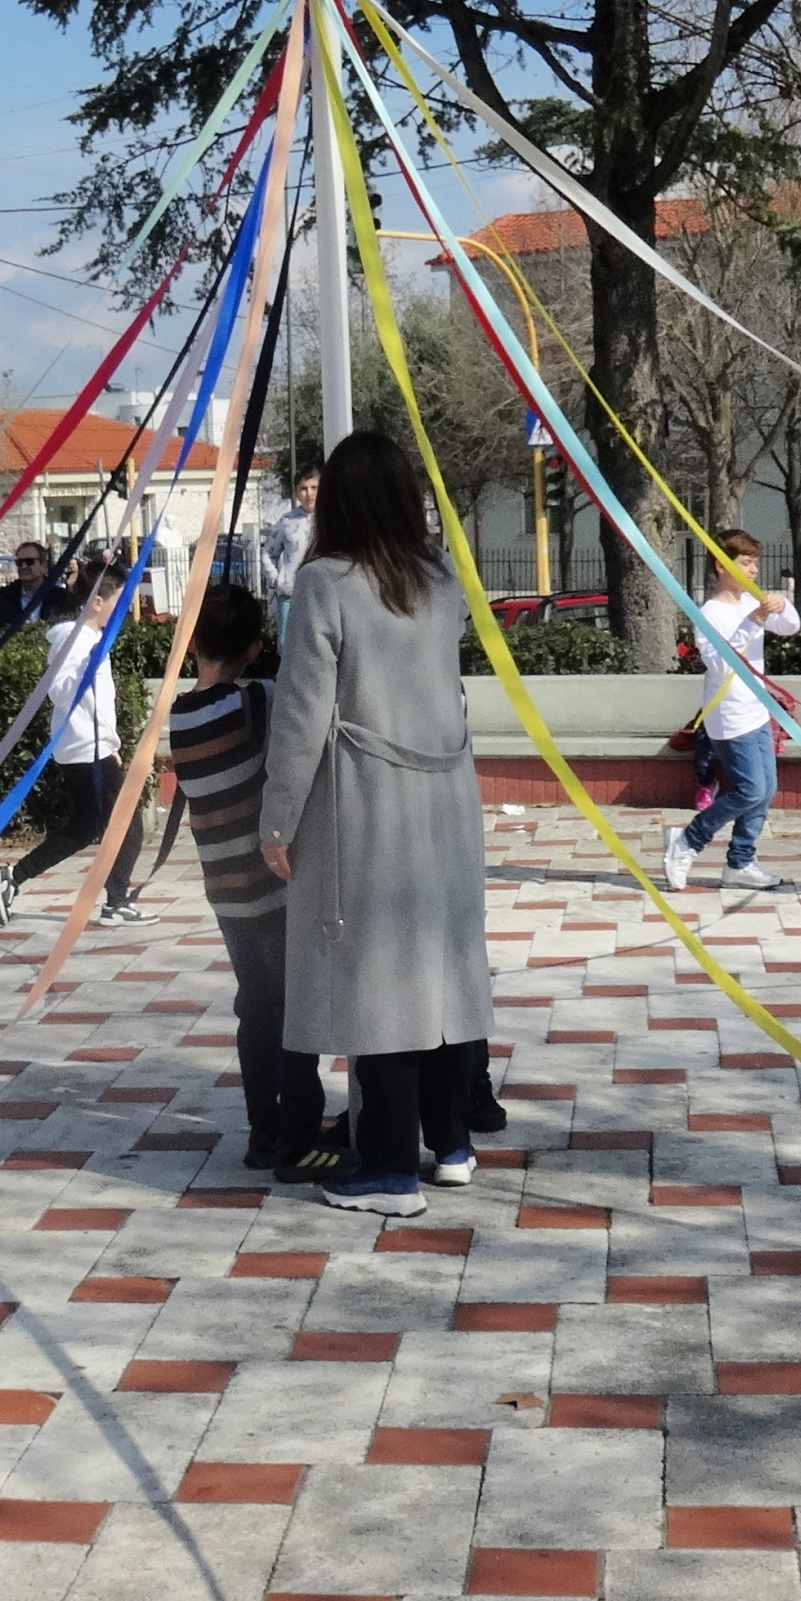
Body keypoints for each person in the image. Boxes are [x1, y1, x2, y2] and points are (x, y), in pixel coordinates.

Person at [258, 431, 493, 1220]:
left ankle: (389, 1169)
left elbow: (299, 718)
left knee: (378, 977)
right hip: (446, 798)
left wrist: (276, 820)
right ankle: (452, 1142)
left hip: (366, 800)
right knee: (443, 964)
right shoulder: (440, 579)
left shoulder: (326, 583)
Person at [168, 584, 326, 1169]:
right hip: (274, 884)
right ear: (256, 647)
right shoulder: (256, 700)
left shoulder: (183, 715)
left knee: (256, 1006)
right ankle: (298, 1138)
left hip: (224, 888)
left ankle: (264, 1130)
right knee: (292, 1012)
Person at [0, 563, 151, 930]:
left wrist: (111, 742)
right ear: (96, 602)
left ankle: (13, 878)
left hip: (94, 747)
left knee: (85, 827)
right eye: (117, 600)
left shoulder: (92, 640)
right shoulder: (74, 639)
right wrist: (84, 671)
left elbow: (99, 702)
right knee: (127, 826)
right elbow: (60, 692)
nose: (122, 607)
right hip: (83, 750)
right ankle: (116, 902)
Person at [661, 530, 799, 894]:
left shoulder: (748, 604)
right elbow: (720, 662)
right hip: (728, 714)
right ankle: (688, 840)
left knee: (765, 789)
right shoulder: (710, 612)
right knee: (751, 789)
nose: (753, 570)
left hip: (757, 711)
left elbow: (790, 627)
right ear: (723, 566)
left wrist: (783, 607)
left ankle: (740, 863)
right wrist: (753, 621)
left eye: (755, 563)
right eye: (745, 562)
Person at [0, 539, 76, 639]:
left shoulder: (64, 599)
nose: (24, 566)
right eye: (19, 562)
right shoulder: (1, 598)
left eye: (30, 562)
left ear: (44, 566)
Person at [261, 468, 319, 623]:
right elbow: (268, 552)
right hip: (290, 595)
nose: (309, 494)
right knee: (287, 644)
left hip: (324, 595)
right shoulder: (287, 521)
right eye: (304, 489)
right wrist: (277, 580)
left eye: (314, 487)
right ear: (296, 493)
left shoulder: (333, 519)